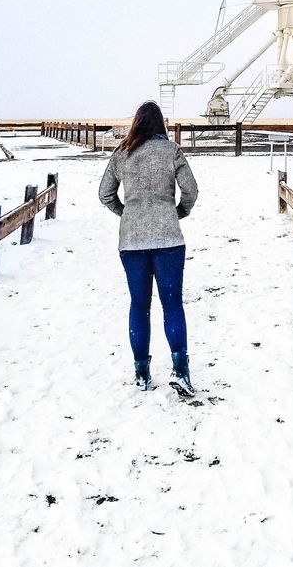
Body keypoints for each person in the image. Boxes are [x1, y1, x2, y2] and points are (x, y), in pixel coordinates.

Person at [98, 101, 198, 396]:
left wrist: (128, 214)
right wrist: (178, 212)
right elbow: (191, 190)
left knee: (139, 306)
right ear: (161, 124)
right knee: (172, 305)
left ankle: (141, 374)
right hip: (168, 239)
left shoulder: (122, 154)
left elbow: (104, 194)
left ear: (136, 123)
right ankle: (181, 372)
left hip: (131, 241)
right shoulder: (171, 151)